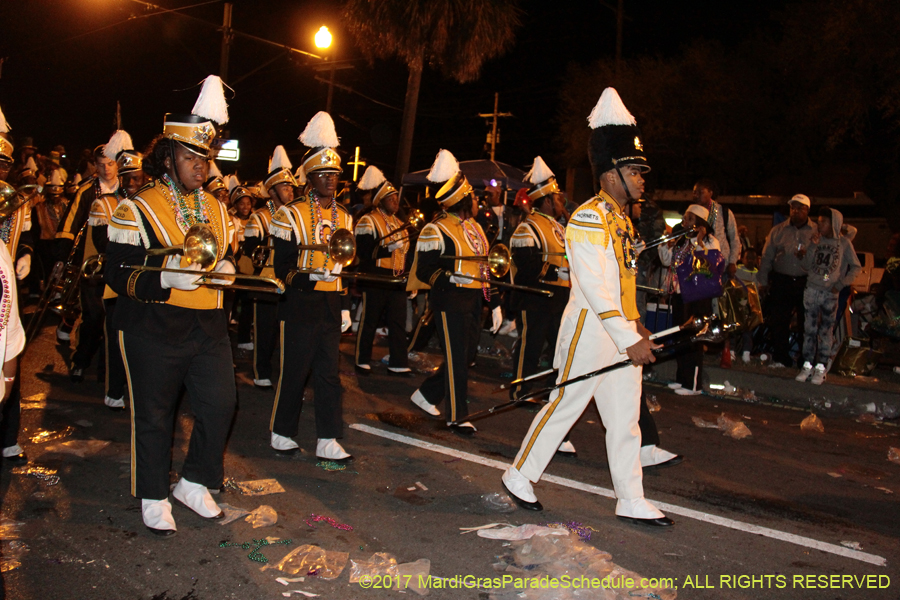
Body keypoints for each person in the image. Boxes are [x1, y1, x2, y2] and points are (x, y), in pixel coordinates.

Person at [501, 88, 672, 526]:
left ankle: (630, 497)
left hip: (619, 329)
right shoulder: (589, 218)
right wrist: (626, 336)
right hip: (591, 328)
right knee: (566, 404)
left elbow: (624, 283)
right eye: (634, 170)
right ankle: (520, 474)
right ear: (611, 173)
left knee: (625, 418)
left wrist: (638, 327)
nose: (641, 177)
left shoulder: (620, 219)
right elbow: (596, 289)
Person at [105, 75, 237, 536]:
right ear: (167, 157)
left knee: (221, 404)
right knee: (155, 414)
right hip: (152, 324)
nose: (200, 167)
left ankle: (195, 481)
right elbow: (117, 275)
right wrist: (165, 278)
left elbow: (222, 257)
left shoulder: (219, 211)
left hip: (208, 325)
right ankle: (154, 492)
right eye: (190, 157)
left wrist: (227, 271)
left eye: (206, 157)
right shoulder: (136, 209)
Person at [268, 111, 353, 463]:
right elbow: (282, 269)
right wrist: (309, 278)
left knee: (329, 373)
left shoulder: (346, 216)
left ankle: (328, 437)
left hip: (331, 305)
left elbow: (345, 265)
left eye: (334, 175)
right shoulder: (289, 214)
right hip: (300, 302)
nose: (331, 181)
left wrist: (345, 302)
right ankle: (281, 431)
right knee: (295, 370)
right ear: (310, 177)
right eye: (324, 174)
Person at [407, 150, 502, 435]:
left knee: (464, 356)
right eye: (472, 196)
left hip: (473, 300)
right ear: (461, 199)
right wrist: (450, 278)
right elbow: (425, 270)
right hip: (448, 301)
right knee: (458, 359)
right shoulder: (436, 229)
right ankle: (458, 416)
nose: (476, 200)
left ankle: (425, 395)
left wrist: (494, 303)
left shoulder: (476, 228)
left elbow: (487, 267)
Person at [88, 130, 146, 409]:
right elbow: (105, 244)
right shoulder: (104, 204)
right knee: (115, 339)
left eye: (139, 178)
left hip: (146, 281)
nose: (135, 183)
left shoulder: (150, 206)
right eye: (130, 179)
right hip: (116, 283)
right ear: (120, 180)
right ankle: (114, 390)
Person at [242, 145, 297, 387]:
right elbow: (250, 251)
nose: (291, 191)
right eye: (285, 187)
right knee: (265, 329)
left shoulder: (297, 215)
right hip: (267, 280)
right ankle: (261, 371)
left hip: (291, 279)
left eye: (291, 187)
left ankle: (285, 371)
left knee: (288, 331)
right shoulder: (260, 217)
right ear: (273, 191)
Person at [56, 143, 119, 348]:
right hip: (89, 254)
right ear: (94, 165)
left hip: (117, 254)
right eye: (101, 165)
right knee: (84, 304)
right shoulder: (86, 189)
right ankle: (68, 326)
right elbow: (69, 223)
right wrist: (62, 257)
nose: (106, 169)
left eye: (110, 164)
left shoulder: (128, 188)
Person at [353, 165, 411, 375]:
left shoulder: (399, 222)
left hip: (396, 278)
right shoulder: (368, 220)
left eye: (396, 198)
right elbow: (364, 251)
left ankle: (398, 362)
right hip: (375, 277)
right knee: (370, 319)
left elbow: (408, 254)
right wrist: (387, 249)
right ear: (380, 201)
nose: (396, 202)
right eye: (391, 199)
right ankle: (361, 358)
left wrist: (410, 280)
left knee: (398, 322)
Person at [658, 205, 720, 394]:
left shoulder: (711, 242)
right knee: (681, 335)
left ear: (700, 223)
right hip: (680, 294)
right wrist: (665, 245)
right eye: (684, 218)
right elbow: (666, 261)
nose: (684, 223)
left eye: (689, 219)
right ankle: (682, 378)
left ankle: (693, 385)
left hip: (698, 296)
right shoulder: (682, 240)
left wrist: (699, 243)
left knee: (694, 337)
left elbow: (707, 265)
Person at [795, 207, 861, 385]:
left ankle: (821, 367)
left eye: (823, 221)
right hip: (811, 289)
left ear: (833, 224)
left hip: (829, 292)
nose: (819, 224)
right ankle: (807, 364)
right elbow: (806, 266)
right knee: (809, 329)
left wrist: (840, 284)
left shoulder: (844, 243)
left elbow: (856, 266)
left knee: (825, 330)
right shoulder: (815, 240)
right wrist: (812, 247)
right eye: (818, 221)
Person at [757, 194, 817, 368]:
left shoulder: (816, 232)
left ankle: (806, 361)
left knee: (806, 323)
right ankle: (781, 358)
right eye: (793, 208)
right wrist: (762, 281)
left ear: (807, 210)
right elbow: (767, 257)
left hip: (805, 282)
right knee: (779, 320)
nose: (796, 211)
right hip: (782, 280)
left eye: (800, 208)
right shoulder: (778, 230)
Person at [693, 179, 740, 278]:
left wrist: (732, 262)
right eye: (694, 192)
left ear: (710, 193)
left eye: (700, 192)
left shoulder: (724, 212)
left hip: (722, 266)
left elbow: (734, 239)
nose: (696, 195)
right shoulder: (692, 213)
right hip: (698, 267)